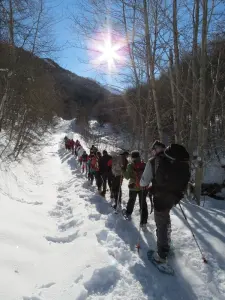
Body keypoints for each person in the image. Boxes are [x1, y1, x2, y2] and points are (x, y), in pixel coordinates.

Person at [140, 143, 190, 264]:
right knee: (165, 220)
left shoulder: (153, 162)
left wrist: (150, 185)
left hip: (160, 198)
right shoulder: (179, 162)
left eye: (153, 149)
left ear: (155, 150)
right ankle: (167, 245)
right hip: (173, 198)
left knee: (161, 224)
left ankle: (161, 256)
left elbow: (143, 182)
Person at [122, 150, 148, 230]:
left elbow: (127, 177)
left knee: (132, 200)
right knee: (143, 203)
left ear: (132, 157)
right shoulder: (144, 164)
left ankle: (128, 213)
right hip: (143, 187)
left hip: (133, 186)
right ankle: (143, 223)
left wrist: (123, 170)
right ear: (139, 156)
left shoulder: (130, 165)